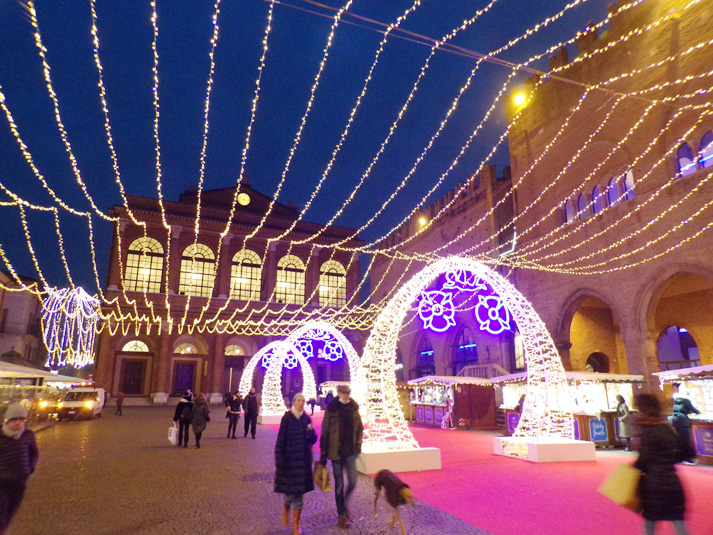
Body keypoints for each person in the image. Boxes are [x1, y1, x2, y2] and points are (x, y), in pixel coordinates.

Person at [634, 393, 689, 535]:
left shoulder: (649, 431)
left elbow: (643, 461)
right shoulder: (666, 428)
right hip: (672, 481)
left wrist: (632, 469)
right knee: (678, 521)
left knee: (650, 523)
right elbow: (680, 454)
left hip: (654, 484)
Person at [320, 384, 363, 528]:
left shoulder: (353, 407)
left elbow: (360, 428)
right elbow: (325, 430)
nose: (346, 395)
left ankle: (343, 503)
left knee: (353, 481)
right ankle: (341, 515)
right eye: (344, 393)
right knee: (339, 485)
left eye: (348, 393)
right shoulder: (332, 408)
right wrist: (323, 453)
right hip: (336, 452)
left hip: (350, 451)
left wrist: (358, 446)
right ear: (338, 393)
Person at [274, 393, 317, 535]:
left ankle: (295, 524)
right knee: (289, 491)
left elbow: (312, 440)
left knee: (299, 493)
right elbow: (281, 440)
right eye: (298, 400)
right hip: (289, 460)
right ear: (294, 402)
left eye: (303, 400)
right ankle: (286, 509)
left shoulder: (306, 418)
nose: (301, 402)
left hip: (303, 461)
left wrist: (311, 432)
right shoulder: (287, 418)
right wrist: (279, 460)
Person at [0, 403, 39, 534]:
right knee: (1, 513)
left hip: (19, 482)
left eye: (21, 420)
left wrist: (30, 468)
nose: (18, 423)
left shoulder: (28, 435)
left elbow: (34, 453)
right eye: (14, 420)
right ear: (7, 420)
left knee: (11, 510)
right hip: (2, 482)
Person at [671, 383, 700, 464]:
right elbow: (695, 410)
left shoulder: (677, 400)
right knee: (687, 440)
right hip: (683, 421)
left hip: (676, 421)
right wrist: (698, 412)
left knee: (680, 439)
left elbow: (681, 409)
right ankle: (689, 458)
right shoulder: (686, 400)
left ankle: (682, 457)